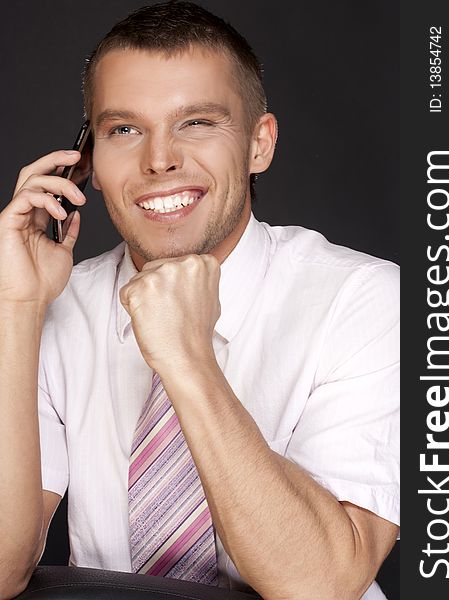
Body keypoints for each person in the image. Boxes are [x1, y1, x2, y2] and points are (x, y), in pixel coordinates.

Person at [0, 2, 399, 599]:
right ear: (88, 165)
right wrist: (17, 307)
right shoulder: (54, 308)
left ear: (259, 145)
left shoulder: (363, 299)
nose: (159, 159)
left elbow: (320, 585)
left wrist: (187, 361)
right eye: (124, 129)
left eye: (197, 123)